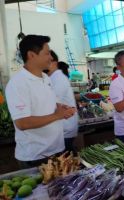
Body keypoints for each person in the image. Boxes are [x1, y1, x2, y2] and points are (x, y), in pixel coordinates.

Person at [5, 35, 76, 169]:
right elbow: (22, 123)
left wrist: (60, 107)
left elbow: (45, 103)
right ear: (31, 55)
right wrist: (57, 115)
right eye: (47, 53)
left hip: (56, 150)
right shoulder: (18, 83)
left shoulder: (45, 77)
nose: (51, 57)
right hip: (36, 156)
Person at [47, 51, 78, 153]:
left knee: (65, 160)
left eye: (48, 61)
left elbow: (51, 104)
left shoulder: (58, 78)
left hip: (65, 128)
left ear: (55, 62)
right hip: (63, 127)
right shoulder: (52, 78)